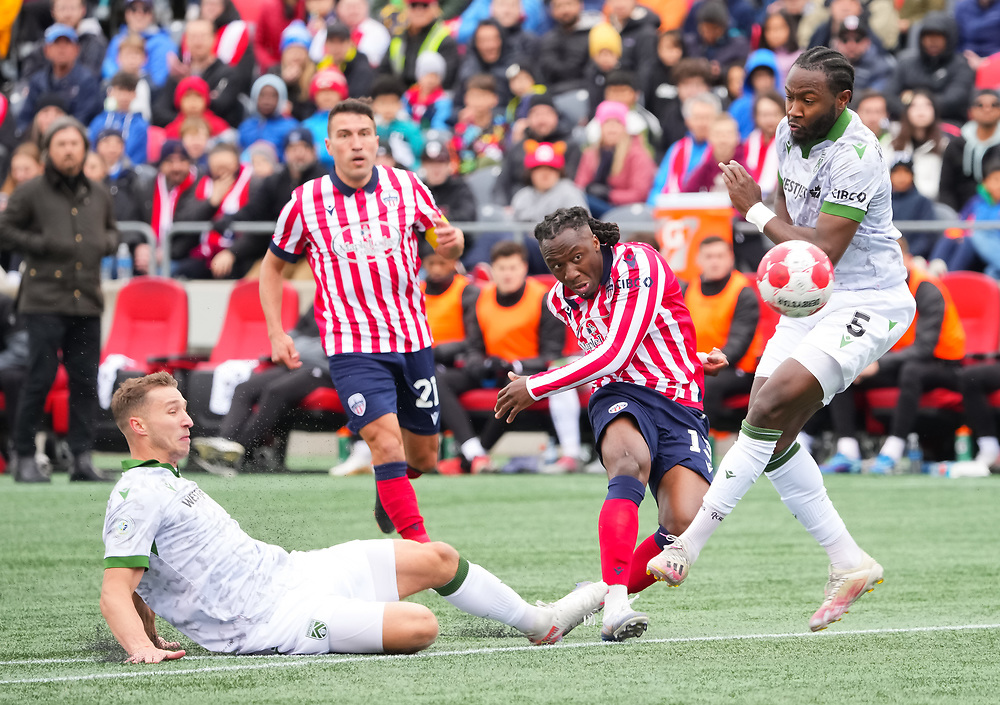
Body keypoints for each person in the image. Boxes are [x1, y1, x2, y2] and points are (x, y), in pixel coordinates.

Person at [644, 47, 917, 633]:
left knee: (765, 409)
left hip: (871, 299)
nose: (791, 109)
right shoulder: (789, 134)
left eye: (806, 99)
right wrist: (775, 249)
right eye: (790, 96)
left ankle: (688, 547)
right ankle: (849, 562)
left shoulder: (859, 153)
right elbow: (795, 232)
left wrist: (752, 213)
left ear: (841, 100)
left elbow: (822, 250)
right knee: (774, 430)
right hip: (813, 296)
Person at [100, 372, 609, 661]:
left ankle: (540, 624)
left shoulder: (164, 481)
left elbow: (147, 576)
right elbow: (116, 587)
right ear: (139, 425)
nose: (188, 418)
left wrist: (149, 630)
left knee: (435, 557)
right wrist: (139, 649)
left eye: (185, 407)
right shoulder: (137, 492)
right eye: (173, 411)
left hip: (293, 572)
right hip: (270, 622)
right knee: (420, 627)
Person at [494, 207, 728, 641]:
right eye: (556, 265)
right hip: (619, 393)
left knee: (682, 522)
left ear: (597, 243)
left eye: (577, 257)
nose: (569, 272)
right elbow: (615, 359)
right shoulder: (559, 299)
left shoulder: (640, 263)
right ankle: (617, 605)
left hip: (679, 402)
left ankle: (588, 599)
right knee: (627, 463)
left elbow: (619, 348)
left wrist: (537, 386)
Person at [260, 98, 465, 543]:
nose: (356, 144)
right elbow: (272, 266)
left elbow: (446, 245)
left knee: (424, 457)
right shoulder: (306, 201)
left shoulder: (408, 187)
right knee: (385, 443)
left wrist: (454, 241)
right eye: (345, 136)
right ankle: (422, 550)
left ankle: (387, 481)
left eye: (364, 134)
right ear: (329, 145)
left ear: (377, 140)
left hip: (411, 339)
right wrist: (276, 332)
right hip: (351, 345)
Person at [0, 117, 119, 483]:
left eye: (75, 144)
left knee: (85, 380)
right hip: (44, 300)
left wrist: (106, 244)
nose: (69, 150)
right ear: (49, 151)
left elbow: (113, 231)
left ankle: (82, 458)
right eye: (61, 144)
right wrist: (41, 245)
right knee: (40, 377)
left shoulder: (98, 193)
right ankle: (23, 456)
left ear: (84, 150)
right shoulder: (30, 191)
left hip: (87, 301)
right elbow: (5, 230)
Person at [438, 241, 582, 474]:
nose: (507, 274)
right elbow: (473, 347)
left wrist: (515, 365)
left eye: (513, 268)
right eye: (502, 268)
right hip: (491, 369)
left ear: (524, 268)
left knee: (514, 385)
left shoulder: (543, 298)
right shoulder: (482, 298)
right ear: (493, 270)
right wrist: (481, 364)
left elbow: (552, 355)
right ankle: (472, 450)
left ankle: (476, 456)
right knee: (439, 380)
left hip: (525, 371)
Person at [821, 243, 965, 475]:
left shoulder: (926, 287)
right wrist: (861, 360)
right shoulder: (880, 289)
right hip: (900, 360)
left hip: (943, 364)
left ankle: (893, 450)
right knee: (845, 367)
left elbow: (924, 348)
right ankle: (847, 450)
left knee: (913, 370)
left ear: (907, 258)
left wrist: (877, 364)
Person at [209, 128, 328, 280]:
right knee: (253, 286)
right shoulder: (275, 180)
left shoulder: (324, 182)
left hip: (313, 256)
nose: (298, 153)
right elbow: (255, 211)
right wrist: (230, 219)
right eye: (293, 148)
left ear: (314, 150)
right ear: (285, 153)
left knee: (300, 290)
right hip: (281, 254)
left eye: (304, 147)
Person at [682, 236, 761, 432]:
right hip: (697, 364)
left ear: (730, 258)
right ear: (698, 260)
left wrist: (706, 363)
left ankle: (708, 437)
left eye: (720, 256)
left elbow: (738, 344)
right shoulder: (687, 290)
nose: (714, 261)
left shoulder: (743, 292)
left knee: (706, 386)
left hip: (738, 368)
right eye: (709, 256)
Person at [883, 12, 974, 126]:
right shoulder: (906, 62)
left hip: (947, 123)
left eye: (938, 36)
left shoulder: (961, 66)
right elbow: (889, 96)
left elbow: (954, 101)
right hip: (906, 124)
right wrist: (914, 113)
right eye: (928, 36)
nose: (932, 41)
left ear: (949, 38)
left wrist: (912, 100)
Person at [574, 100, 656, 217]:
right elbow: (579, 187)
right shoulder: (591, 154)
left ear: (624, 127)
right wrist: (589, 189)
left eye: (617, 122)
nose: (612, 127)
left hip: (627, 211)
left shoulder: (638, 154)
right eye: (607, 122)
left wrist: (609, 195)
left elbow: (640, 194)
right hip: (595, 207)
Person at [19, 24, 103, 137]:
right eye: (56, 43)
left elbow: (83, 119)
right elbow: (25, 119)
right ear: (46, 50)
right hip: (39, 139)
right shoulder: (37, 80)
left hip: (73, 139)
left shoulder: (87, 80)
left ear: (77, 49)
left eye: (67, 43)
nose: (61, 48)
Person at [937, 90, 1000, 214]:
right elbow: (946, 188)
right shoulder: (955, 146)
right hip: (957, 217)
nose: (987, 109)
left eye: (994, 105)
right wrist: (955, 220)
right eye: (980, 105)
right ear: (971, 111)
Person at [888, 89, 950, 202]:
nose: (921, 110)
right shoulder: (891, 144)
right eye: (914, 106)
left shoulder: (945, 146)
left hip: (933, 206)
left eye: (927, 105)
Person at [102, 0, 176, 89]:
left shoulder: (164, 43)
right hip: (119, 93)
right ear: (127, 13)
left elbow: (159, 82)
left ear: (151, 14)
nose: (139, 14)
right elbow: (108, 69)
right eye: (133, 9)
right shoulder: (117, 40)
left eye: (145, 10)